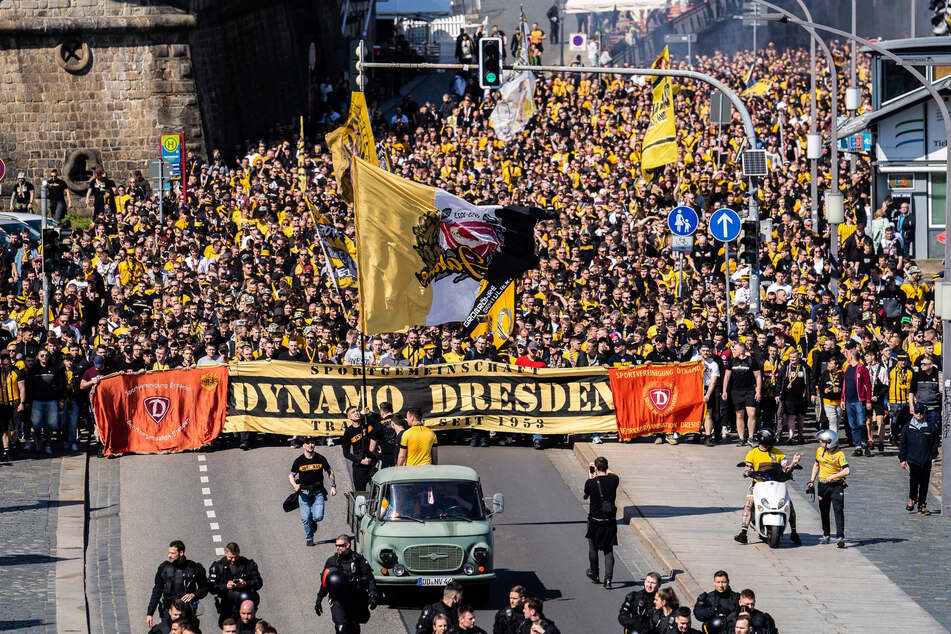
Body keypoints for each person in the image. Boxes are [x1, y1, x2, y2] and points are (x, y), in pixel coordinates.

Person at [734, 428, 802, 545]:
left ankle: (794, 532)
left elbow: (786, 468)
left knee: (788, 505)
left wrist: (793, 464)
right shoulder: (753, 453)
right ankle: (743, 533)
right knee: (749, 504)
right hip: (758, 484)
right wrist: (747, 471)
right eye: (767, 443)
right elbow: (748, 466)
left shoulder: (778, 453)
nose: (769, 446)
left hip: (776, 484)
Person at [314, 534, 378, 633]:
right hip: (338, 600)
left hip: (355, 598)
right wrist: (319, 599)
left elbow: (369, 578)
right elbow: (325, 582)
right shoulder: (332, 561)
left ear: (347, 545)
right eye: (336, 546)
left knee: (353, 627)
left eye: (340, 545)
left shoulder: (358, 560)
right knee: (341, 628)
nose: (337, 548)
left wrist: (373, 595)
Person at [146, 540, 208, 630]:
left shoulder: (194, 567)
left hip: (187, 612)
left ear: (181, 553)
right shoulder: (164, 568)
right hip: (169, 612)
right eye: (169, 552)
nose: (169, 556)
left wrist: (194, 594)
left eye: (172, 553)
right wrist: (150, 613)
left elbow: (204, 588)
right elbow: (157, 591)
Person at [288, 436, 336, 546]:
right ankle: (309, 538)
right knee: (305, 518)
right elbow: (291, 475)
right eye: (308, 443)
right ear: (303, 445)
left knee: (318, 517)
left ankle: (313, 521)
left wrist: (333, 486)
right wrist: (294, 484)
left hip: (318, 492)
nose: (311, 445)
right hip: (304, 493)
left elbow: (330, 471)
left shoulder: (320, 458)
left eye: (312, 443)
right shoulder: (299, 461)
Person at [806, 429, 850, 547]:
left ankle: (840, 536)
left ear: (830, 442)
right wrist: (812, 480)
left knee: (838, 510)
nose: (820, 442)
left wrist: (833, 476)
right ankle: (826, 534)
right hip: (822, 486)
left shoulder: (839, 454)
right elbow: (816, 465)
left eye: (823, 441)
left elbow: (846, 470)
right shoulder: (819, 451)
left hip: (836, 486)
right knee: (824, 511)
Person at [583, 456, 618, 589]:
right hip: (609, 521)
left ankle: (595, 573)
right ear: (607, 466)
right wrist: (603, 468)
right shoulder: (614, 480)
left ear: (596, 468)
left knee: (593, 548)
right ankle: (608, 580)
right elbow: (612, 474)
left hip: (594, 521)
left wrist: (591, 477)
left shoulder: (590, 482)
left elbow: (585, 496)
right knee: (608, 551)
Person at [208, 542, 263, 626]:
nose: (233, 560)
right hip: (227, 605)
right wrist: (226, 586)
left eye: (236, 557)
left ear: (239, 553)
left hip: (245, 604)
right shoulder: (218, 566)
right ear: (226, 553)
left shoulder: (248, 564)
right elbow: (211, 588)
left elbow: (259, 582)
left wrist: (245, 584)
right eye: (231, 557)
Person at [899, 403, 940, 515]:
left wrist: (932, 454)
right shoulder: (908, 427)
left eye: (921, 413)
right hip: (913, 459)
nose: (919, 415)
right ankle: (912, 499)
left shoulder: (930, 427)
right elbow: (903, 444)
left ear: (924, 413)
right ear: (914, 413)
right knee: (914, 481)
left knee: (924, 483)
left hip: (926, 459)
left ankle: (922, 504)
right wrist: (902, 459)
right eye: (917, 412)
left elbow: (935, 442)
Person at [25, 348, 65, 455]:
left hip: (51, 401)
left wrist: (60, 399)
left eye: (46, 355)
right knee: (36, 424)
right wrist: (27, 401)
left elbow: (60, 385)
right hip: (36, 401)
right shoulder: (33, 370)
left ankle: (47, 444)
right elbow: (28, 387)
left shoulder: (54, 369)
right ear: (38, 357)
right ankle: (38, 441)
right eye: (42, 355)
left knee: (49, 425)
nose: (44, 357)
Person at [721, 342, 761, 446]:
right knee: (739, 415)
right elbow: (727, 377)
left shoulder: (751, 361)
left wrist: (758, 391)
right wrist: (724, 390)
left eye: (735, 349)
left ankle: (751, 437)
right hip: (736, 391)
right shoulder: (732, 361)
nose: (734, 351)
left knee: (751, 414)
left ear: (742, 350)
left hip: (749, 390)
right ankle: (741, 438)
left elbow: (758, 376)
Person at [774, 349, 813, 444]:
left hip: (801, 396)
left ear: (798, 357)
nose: (792, 359)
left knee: (800, 417)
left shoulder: (804, 367)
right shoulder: (786, 366)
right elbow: (779, 380)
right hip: (788, 396)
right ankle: (791, 436)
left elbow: (811, 381)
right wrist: (777, 394)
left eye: (794, 357)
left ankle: (800, 434)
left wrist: (812, 394)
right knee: (791, 416)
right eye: (791, 357)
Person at [841, 344, 872, 457]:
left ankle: (865, 443)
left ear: (851, 356)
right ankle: (858, 446)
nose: (846, 356)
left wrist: (868, 400)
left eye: (847, 354)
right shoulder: (848, 368)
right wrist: (843, 399)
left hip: (859, 401)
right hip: (849, 401)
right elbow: (845, 385)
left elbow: (868, 385)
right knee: (853, 425)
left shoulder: (862, 368)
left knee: (861, 423)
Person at [342, 405, 378, 492]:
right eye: (353, 412)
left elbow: (379, 421)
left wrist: (370, 414)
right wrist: (360, 460)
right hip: (359, 467)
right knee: (360, 494)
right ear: (349, 417)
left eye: (357, 411)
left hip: (373, 463)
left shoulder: (367, 423)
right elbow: (346, 453)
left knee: (376, 493)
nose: (356, 413)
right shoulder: (348, 432)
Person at [0, 351, 25, 460]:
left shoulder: (17, 372)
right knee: (4, 428)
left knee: (14, 429)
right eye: (3, 365)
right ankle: (6, 450)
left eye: (7, 365)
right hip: (2, 404)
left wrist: (22, 403)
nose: (5, 367)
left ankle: (14, 444)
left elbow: (22, 389)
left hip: (14, 403)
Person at [908, 354, 941, 431]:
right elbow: (911, 392)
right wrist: (911, 406)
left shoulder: (938, 375)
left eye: (924, 364)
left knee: (933, 429)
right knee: (919, 429)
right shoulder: (917, 375)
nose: (922, 366)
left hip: (934, 408)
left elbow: (943, 392)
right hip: (920, 407)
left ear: (931, 365)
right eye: (921, 364)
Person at [887, 352, 913, 445]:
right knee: (894, 420)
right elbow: (887, 385)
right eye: (901, 360)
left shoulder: (910, 371)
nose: (903, 362)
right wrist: (887, 399)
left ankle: (903, 439)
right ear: (897, 361)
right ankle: (893, 437)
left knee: (905, 421)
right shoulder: (891, 370)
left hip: (906, 400)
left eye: (905, 360)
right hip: (894, 400)